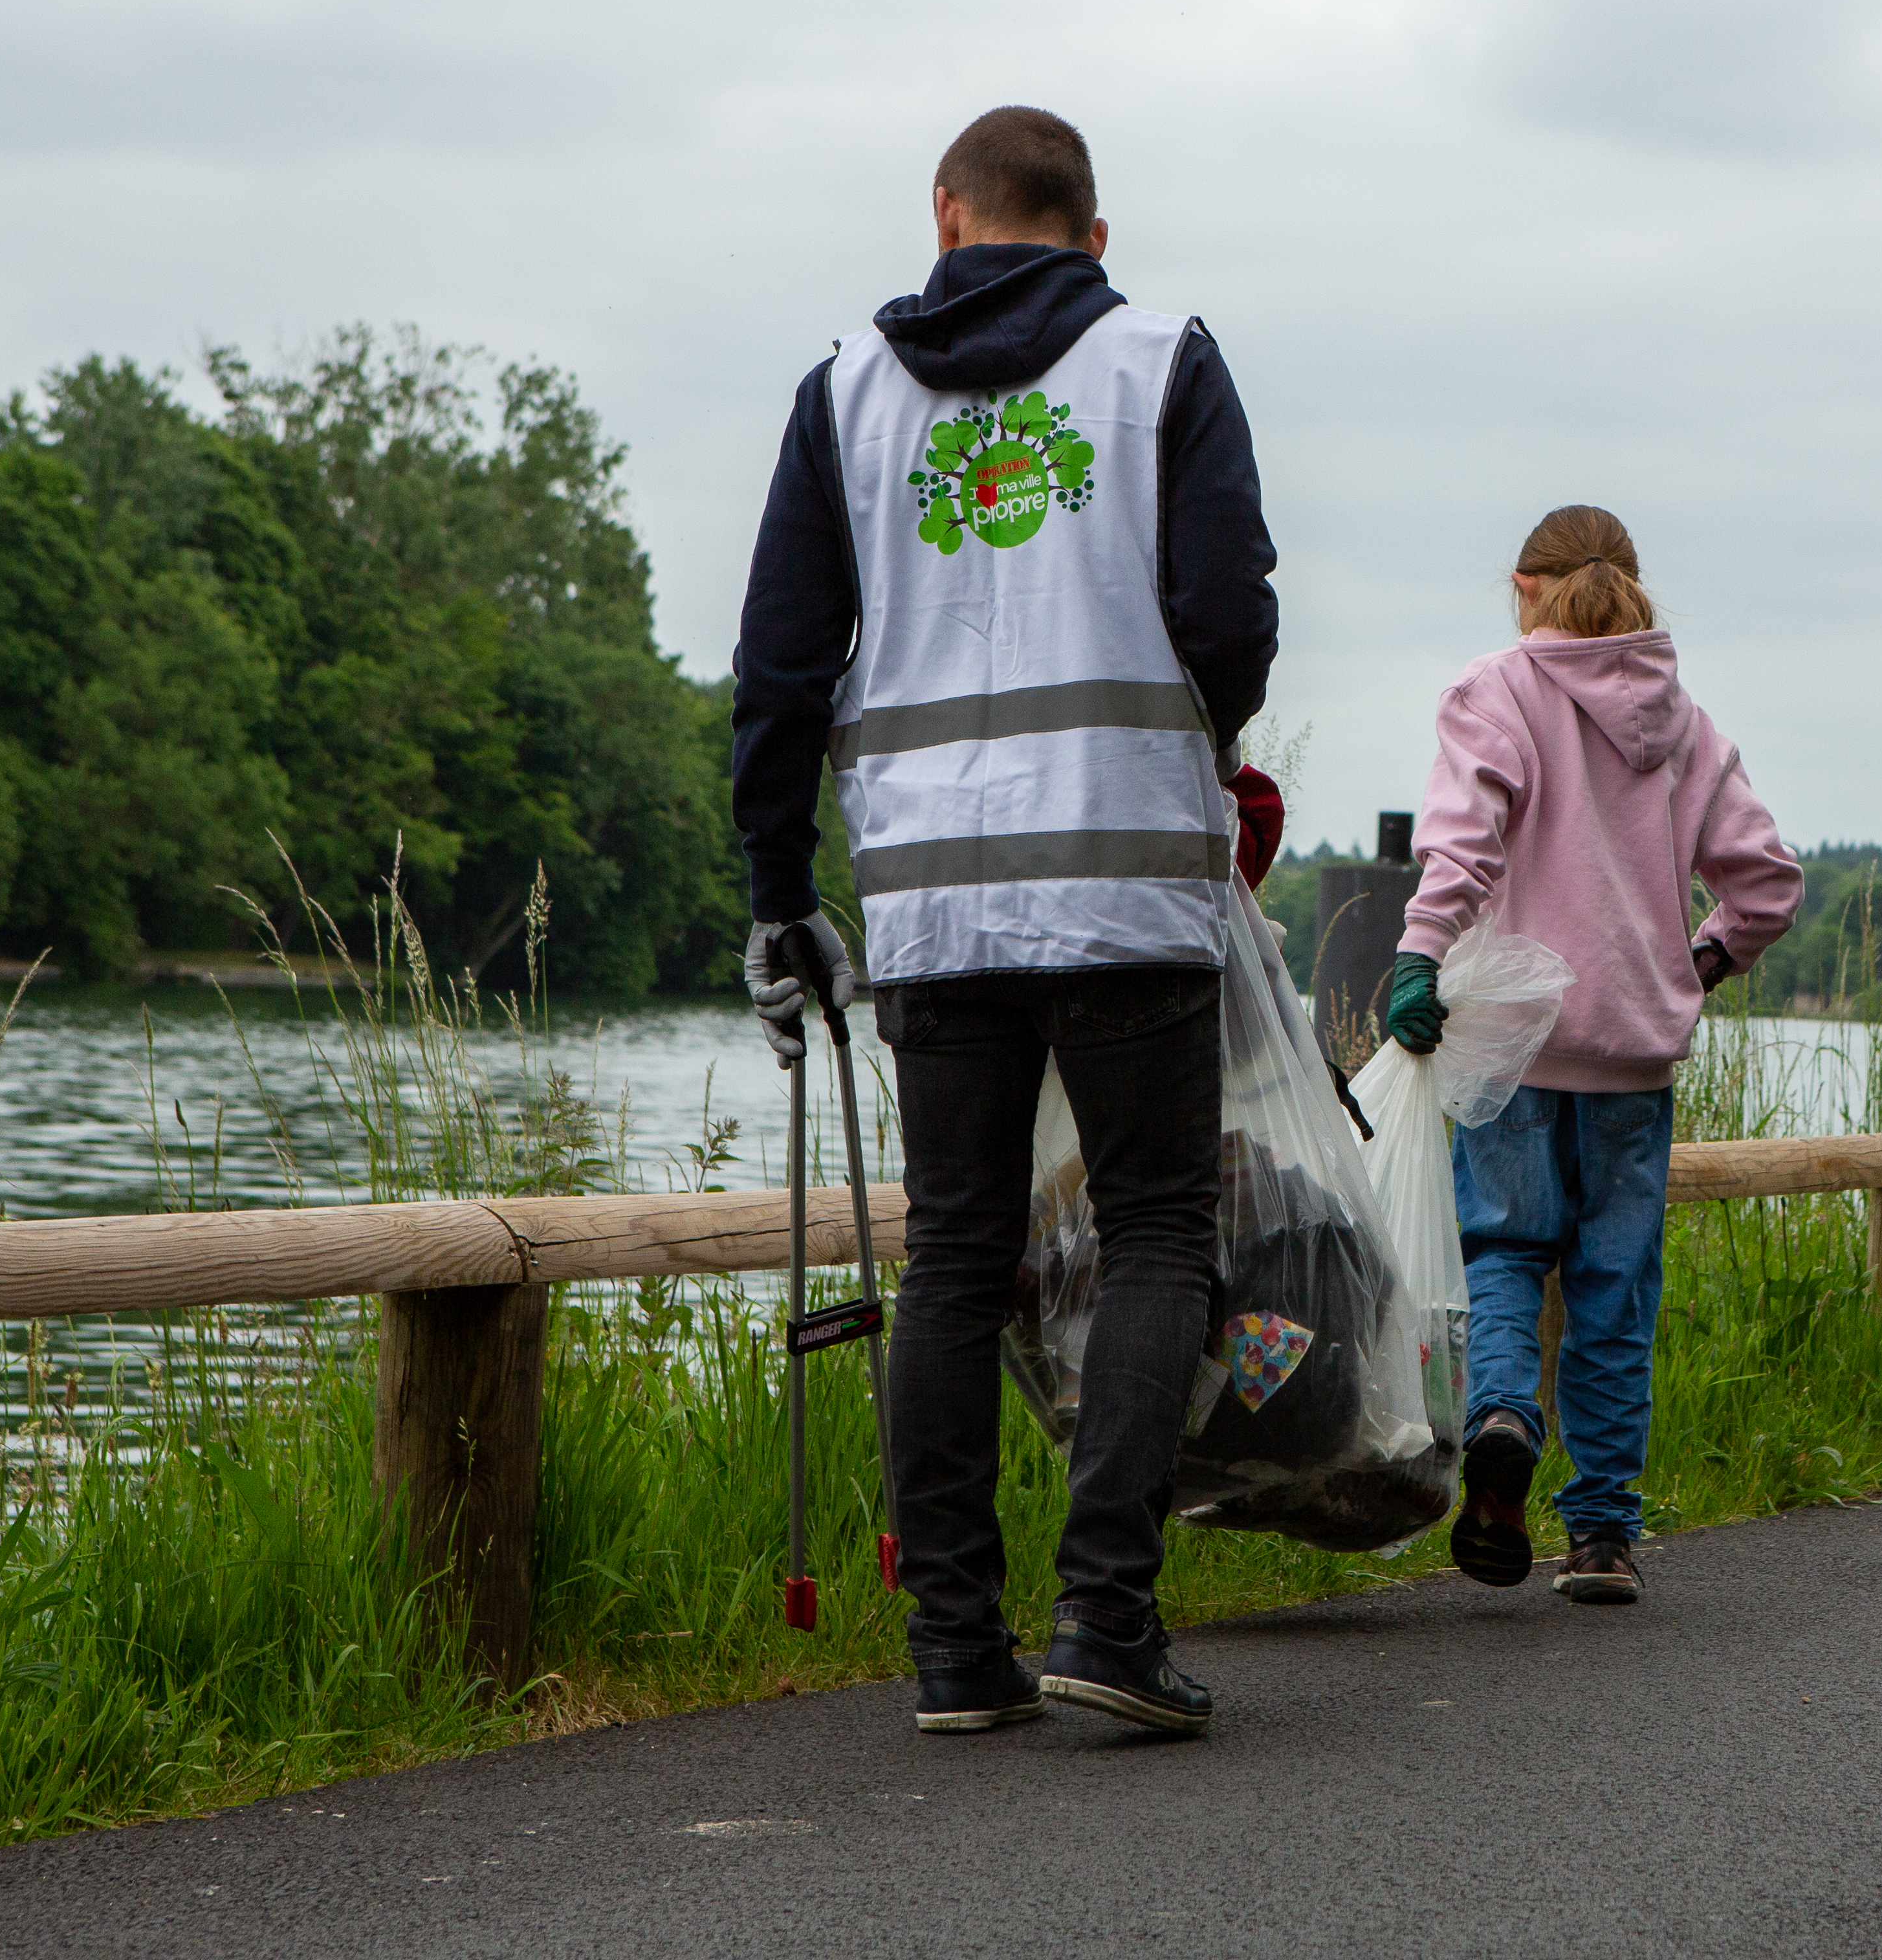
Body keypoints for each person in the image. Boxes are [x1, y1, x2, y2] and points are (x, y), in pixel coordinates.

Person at [731, 105, 1278, 1740]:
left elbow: (778, 673)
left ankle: (954, 1655)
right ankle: (1107, 1615)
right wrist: (1206, 743)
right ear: (1093, 239)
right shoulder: (1160, 363)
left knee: (957, 1254)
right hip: (1123, 882)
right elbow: (1229, 613)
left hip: (932, 907)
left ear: (945, 216)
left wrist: (778, 901)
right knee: (1160, 1233)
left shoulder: (842, 400)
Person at [1380, 507, 1803, 1605]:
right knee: (1615, 1289)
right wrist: (1698, 962)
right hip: (1634, 1058)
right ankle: (1605, 1535)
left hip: (1511, 1049)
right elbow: (1765, 886)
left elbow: (1463, 845)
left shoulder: (1497, 691)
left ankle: (1507, 1415)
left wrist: (1421, 958)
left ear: (1526, 587)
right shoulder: (1685, 723)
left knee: (1507, 1254)